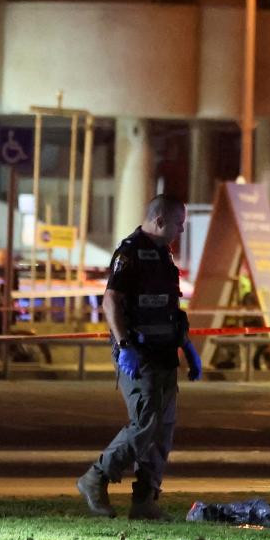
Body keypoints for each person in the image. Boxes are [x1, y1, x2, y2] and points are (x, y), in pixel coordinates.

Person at [76, 195, 202, 520]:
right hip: (139, 354)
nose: (182, 230)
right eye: (179, 224)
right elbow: (111, 302)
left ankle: (145, 500)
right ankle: (97, 476)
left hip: (165, 354)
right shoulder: (129, 252)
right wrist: (124, 344)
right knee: (146, 421)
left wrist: (187, 346)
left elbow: (170, 308)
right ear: (160, 220)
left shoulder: (163, 254)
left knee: (164, 429)